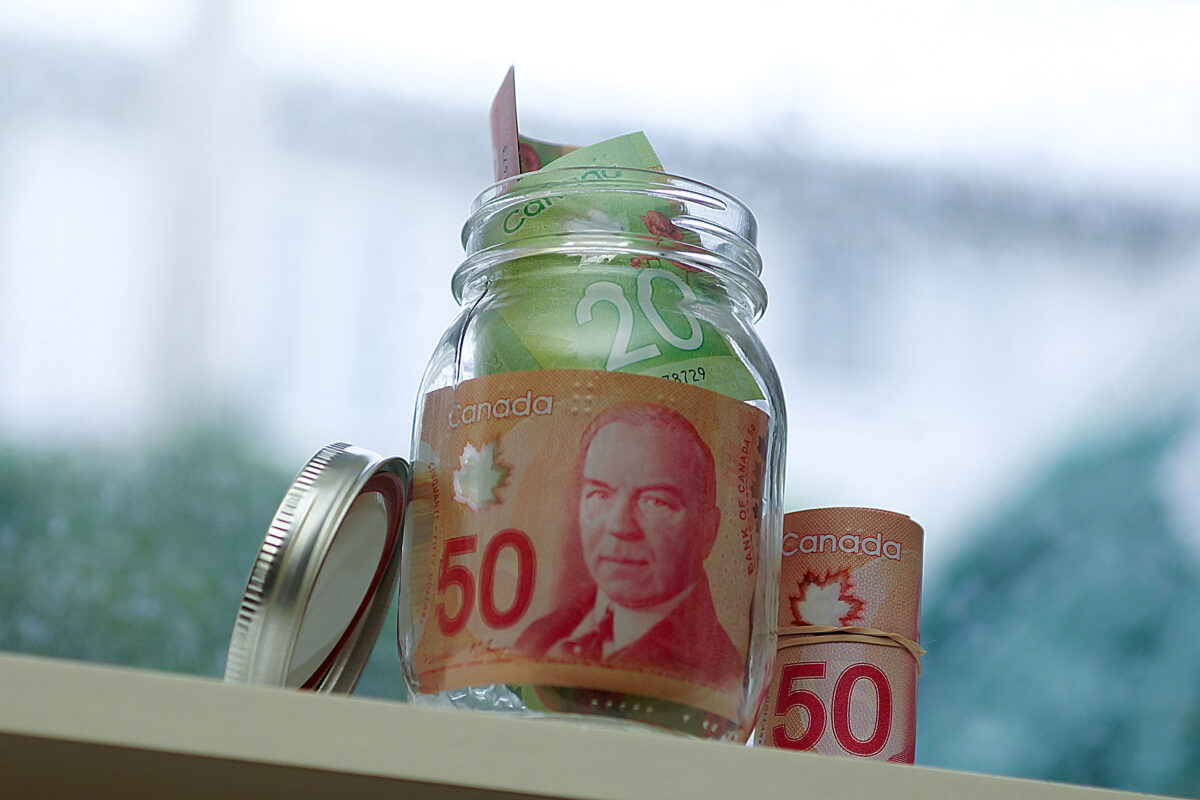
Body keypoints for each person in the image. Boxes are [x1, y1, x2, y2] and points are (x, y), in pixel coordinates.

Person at [516, 403, 743, 693]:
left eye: (655, 501)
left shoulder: (713, 675)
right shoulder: (541, 636)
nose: (620, 526)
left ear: (708, 529)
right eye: (600, 494)